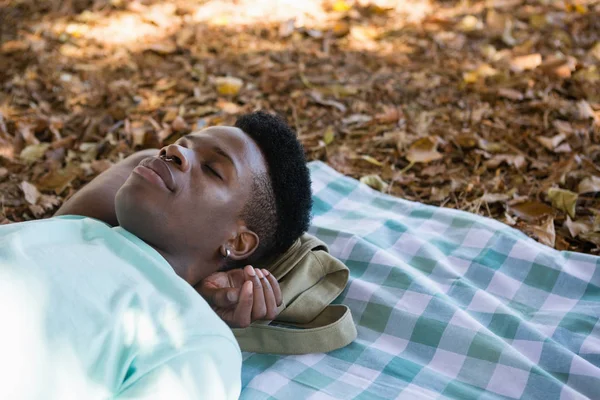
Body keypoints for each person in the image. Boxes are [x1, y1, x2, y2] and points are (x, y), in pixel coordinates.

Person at [0, 111, 313, 399]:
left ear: (238, 242)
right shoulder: (78, 227)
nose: (171, 152)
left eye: (212, 169)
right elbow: (138, 160)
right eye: (180, 145)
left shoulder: (193, 336)